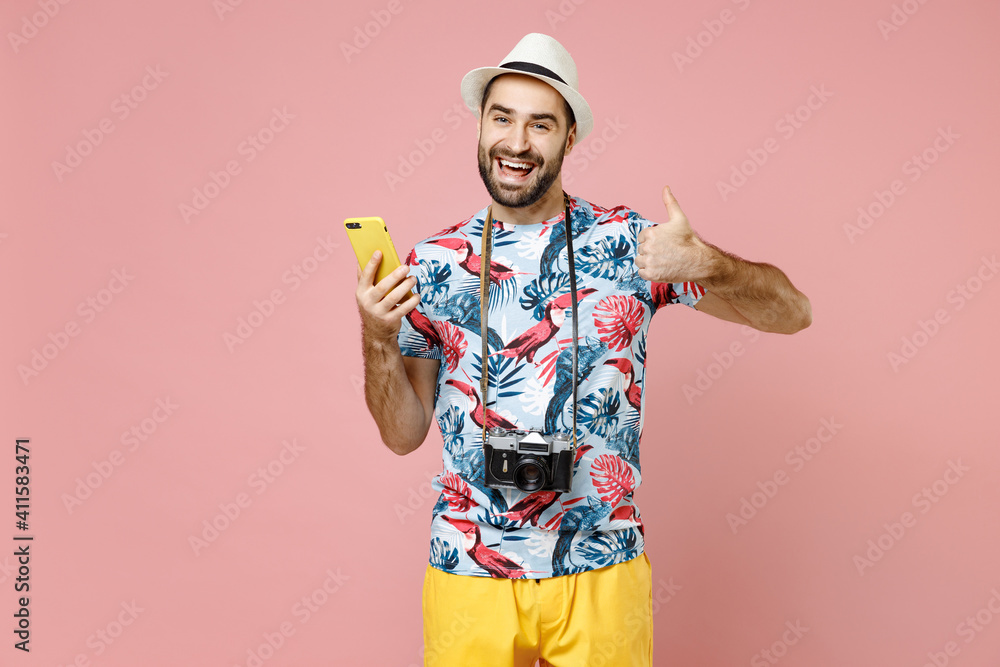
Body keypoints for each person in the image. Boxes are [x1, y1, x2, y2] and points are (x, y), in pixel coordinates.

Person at [356, 33, 811, 667]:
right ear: (480, 127)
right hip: (468, 568)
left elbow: (793, 315)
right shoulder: (433, 263)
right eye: (501, 118)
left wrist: (710, 262)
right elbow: (403, 435)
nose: (517, 142)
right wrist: (377, 337)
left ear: (570, 139)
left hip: (602, 565)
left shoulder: (630, 244)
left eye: (540, 124)